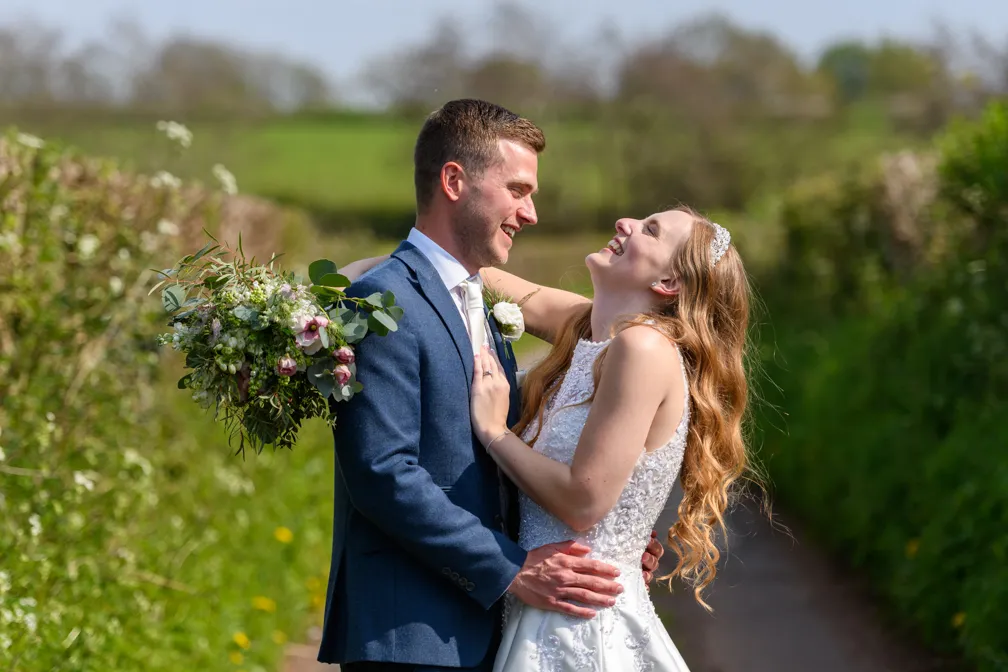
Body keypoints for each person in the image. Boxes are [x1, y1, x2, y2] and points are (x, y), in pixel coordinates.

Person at [317, 98, 664, 672]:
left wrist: (607, 542)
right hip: (412, 635)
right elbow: (382, 473)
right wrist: (512, 568)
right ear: (455, 181)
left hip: (482, 630)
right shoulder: (383, 304)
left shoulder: (478, 299)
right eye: (518, 190)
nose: (529, 213)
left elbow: (511, 443)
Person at [347, 206, 755, 670]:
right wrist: (357, 278)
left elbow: (584, 502)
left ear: (668, 284)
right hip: (534, 610)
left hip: (577, 621)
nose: (625, 222)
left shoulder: (642, 348)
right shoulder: (588, 327)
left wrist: (496, 431)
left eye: (650, 231)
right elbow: (460, 276)